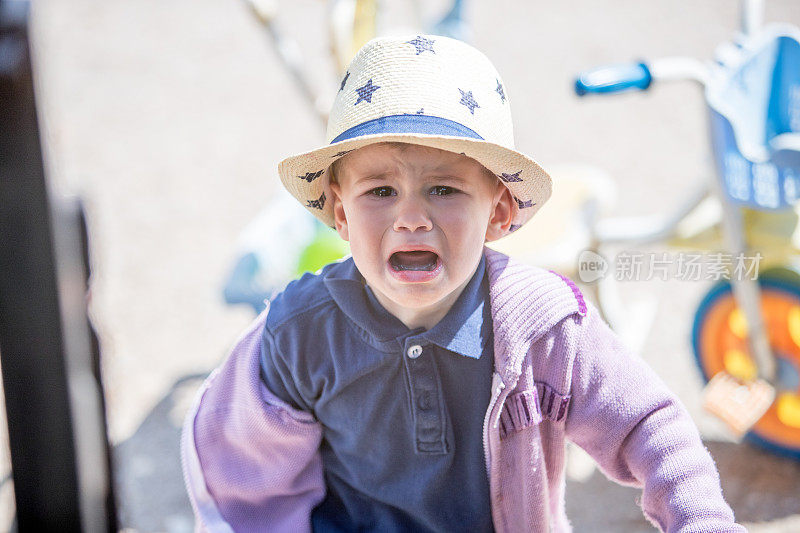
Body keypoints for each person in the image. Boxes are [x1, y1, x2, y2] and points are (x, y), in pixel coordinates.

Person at [181, 34, 744, 532]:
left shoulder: (542, 325)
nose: (411, 217)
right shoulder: (298, 333)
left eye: (444, 189)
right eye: (379, 191)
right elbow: (239, 466)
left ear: (498, 212)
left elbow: (646, 423)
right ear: (340, 213)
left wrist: (701, 518)